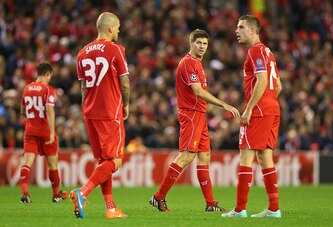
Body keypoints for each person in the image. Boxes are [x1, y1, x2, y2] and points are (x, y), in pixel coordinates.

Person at [149, 29, 240, 212]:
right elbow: (197, 91)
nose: (202, 47)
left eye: (205, 44)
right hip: (190, 115)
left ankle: (210, 204)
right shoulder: (188, 63)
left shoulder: (197, 64)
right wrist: (224, 105)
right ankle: (158, 197)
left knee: (204, 156)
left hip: (200, 114)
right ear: (191, 43)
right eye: (199, 43)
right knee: (187, 155)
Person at [70, 12, 130, 219]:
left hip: (90, 112)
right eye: (118, 27)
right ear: (110, 28)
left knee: (104, 160)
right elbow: (124, 81)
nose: (120, 30)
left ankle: (111, 208)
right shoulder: (116, 49)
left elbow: (83, 88)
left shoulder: (82, 53)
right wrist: (127, 104)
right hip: (110, 111)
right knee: (116, 160)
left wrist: (87, 108)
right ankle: (83, 192)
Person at [221, 15, 282, 218]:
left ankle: (240, 209)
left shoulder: (255, 51)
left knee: (246, 155)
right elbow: (278, 86)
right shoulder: (268, 52)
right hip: (273, 108)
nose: (236, 31)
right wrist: (267, 102)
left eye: (241, 27)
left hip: (259, 110)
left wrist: (250, 109)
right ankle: (274, 209)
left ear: (253, 31)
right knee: (265, 156)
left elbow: (262, 79)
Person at [20, 62, 68, 203]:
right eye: (50, 76)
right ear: (47, 74)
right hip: (45, 131)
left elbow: (23, 111)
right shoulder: (48, 89)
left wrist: (32, 120)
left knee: (27, 162)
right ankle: (55, 195)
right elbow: (49, 110)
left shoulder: (26, 89)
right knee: (52, 164)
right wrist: (52, 132)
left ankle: (25, 194)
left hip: (30, 130)